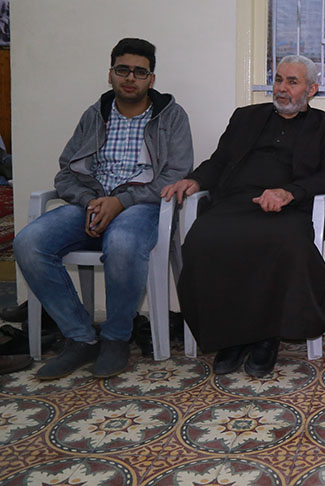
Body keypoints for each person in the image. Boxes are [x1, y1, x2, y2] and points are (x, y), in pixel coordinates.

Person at [14, 38, 193, 379]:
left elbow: (176, 174)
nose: (131, 78)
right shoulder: (95, 115)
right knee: (28, 243)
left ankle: (116, 338)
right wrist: (89, 202)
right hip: (91, 204)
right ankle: (80, 337)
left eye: (140, 72)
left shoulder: (171, 116)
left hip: (142, 206)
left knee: (123, 242)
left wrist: (120, 202)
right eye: (123, 70)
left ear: (151, 79)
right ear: (110, 74)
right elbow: (66, 171)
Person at [162, 55, 325, 378]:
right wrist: (196, 180)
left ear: (312, 89)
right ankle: (231, 336)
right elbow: (219, 161)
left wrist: (289, 192)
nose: (282, 88)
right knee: (202, 240)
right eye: (278, 79)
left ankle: (266, 338)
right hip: (234, 204)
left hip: (288, 211)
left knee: (284, 243)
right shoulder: (245, 117)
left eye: (292, 82)